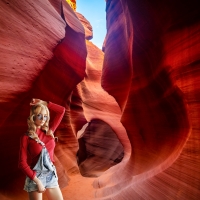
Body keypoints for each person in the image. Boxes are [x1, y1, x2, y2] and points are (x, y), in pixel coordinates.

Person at [18, 98, 65, 200]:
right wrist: (37, 181)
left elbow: (62, 111)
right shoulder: (26, 137)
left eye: (45, 116)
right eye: (39, 115)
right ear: (33, 117)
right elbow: (22, 163)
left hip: (51, 174)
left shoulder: (49, 132)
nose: (43, 119)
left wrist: (43, 103)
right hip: (36, 176)